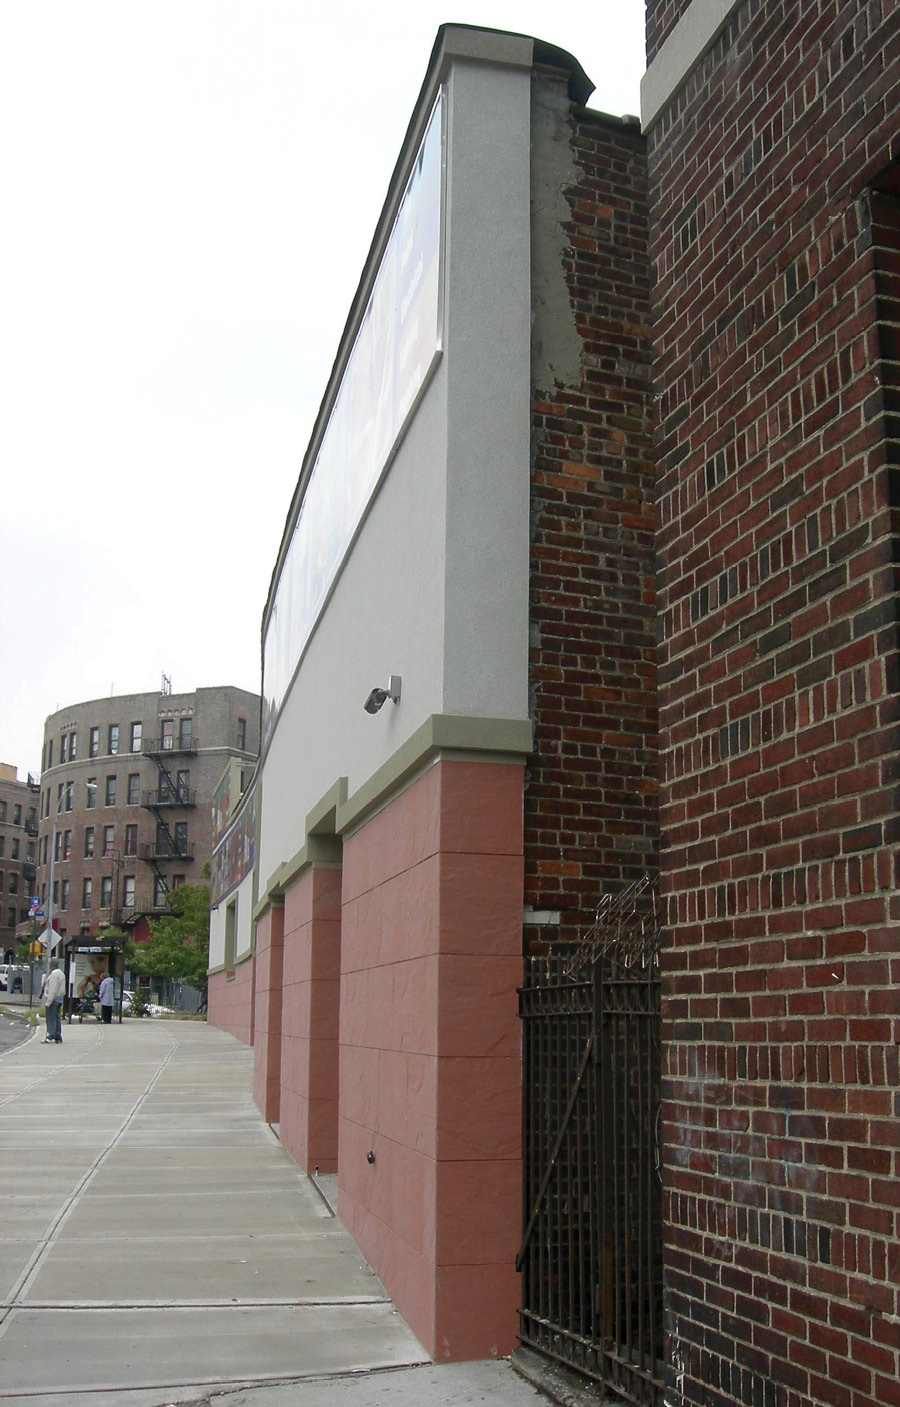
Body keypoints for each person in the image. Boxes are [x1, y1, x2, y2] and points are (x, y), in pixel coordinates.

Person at [42, 961, 66, 1044]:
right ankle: (57, 1036)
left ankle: (51, 1035)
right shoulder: (61, 973)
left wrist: (48, 1002)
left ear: (52, 965)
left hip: (54, 999)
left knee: (51, 1018)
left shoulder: (54, 974)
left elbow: (52, 989)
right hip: (59, 999)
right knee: (57, 1018)